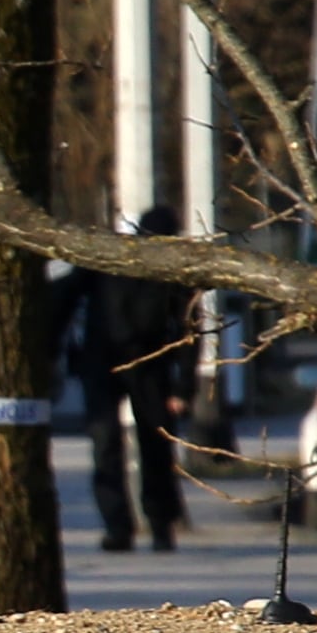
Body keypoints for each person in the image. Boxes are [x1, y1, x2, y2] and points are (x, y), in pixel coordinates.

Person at [57, 213, 191, 552]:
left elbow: (64, 300)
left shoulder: (112, 261)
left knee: (114, 447)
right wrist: (183, 387)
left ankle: (127, 527)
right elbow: (192, 332)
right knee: (149, 446)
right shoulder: (167, 269)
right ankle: (147, 526)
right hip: (142, 364)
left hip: (113, 362)